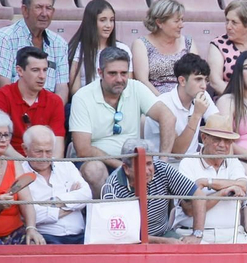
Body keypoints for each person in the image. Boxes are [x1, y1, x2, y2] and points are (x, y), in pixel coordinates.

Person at [69, 47, 180, 193]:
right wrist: (122, 166)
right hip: (97, 161)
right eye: (112, 74)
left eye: (123, 73)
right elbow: (83, 150)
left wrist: (162, 161)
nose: (119, 79)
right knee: (94, 170)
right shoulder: (82, 97)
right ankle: (104, 214)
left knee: (161, 173)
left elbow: (168, 116)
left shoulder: (135, 88)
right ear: (100, 73)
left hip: (132, 160)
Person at [96, 136, 204, 242]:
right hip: (130, 242)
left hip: (164, 234)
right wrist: (162, 242)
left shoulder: (162, 169)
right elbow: (120, 233)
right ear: (126, 169)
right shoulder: (112, 185)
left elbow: (198, 195)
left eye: (149, 164)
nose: (147, 171)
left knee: (187, 251)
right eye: (140, 165)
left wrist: (197, 234)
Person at [176, 115, 247, 243]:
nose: (223, 145)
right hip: (194, 234)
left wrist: (207, 182)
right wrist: (222, 193)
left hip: (233, 234)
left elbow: (243, 186)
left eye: (227, 141)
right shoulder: (188, 163)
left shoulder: (233, 161)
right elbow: (189, 209)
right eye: (217, 140)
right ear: (204, 138)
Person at [0, 0, 72, 101]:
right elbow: (4, 86)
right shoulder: (4, 38)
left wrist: (52, 112)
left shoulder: (59, 43)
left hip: (47, 112)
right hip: (12, 110)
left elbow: (62, 88)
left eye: (48, 8)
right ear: (25, 10)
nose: (44, 13)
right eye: (38, 7)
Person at [0, 48, 62, 157]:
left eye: (45, 70)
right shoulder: (1, 96)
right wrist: (26, 165)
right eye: (35, 70)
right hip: (10, 160)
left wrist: (52, 167)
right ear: (20, 71)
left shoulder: (55, 101)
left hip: (44, 163)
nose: (42, 76)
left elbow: (57, 144)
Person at [21, 125, 89, 245]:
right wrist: (72, 205)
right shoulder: (20, 172)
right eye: (38, 151)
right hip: (46, 238)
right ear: (25, 149)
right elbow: (30, 214)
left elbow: (86, 195)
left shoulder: (65, 166)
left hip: (81, 236)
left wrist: (53, 202)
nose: (44, 157)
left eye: (48, 151)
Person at [148, 53, 216, 158]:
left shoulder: (202, 95)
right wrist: (196, 115)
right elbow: (177, 153)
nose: (204, 86)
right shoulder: (163, 104)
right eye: (198, 79)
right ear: (182, 81)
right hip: (167, 167)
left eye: (205, 80)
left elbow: (219, 125)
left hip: (193, 163)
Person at [131, 0, 200, 93]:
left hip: (186, 97)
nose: (181, 25)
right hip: (154, 99)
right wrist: (163, 102)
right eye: (176, 21)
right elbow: (142, 81)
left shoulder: (188, 42)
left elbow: (196, 75)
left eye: (182, 20)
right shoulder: (141, 44)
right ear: (159, 22)